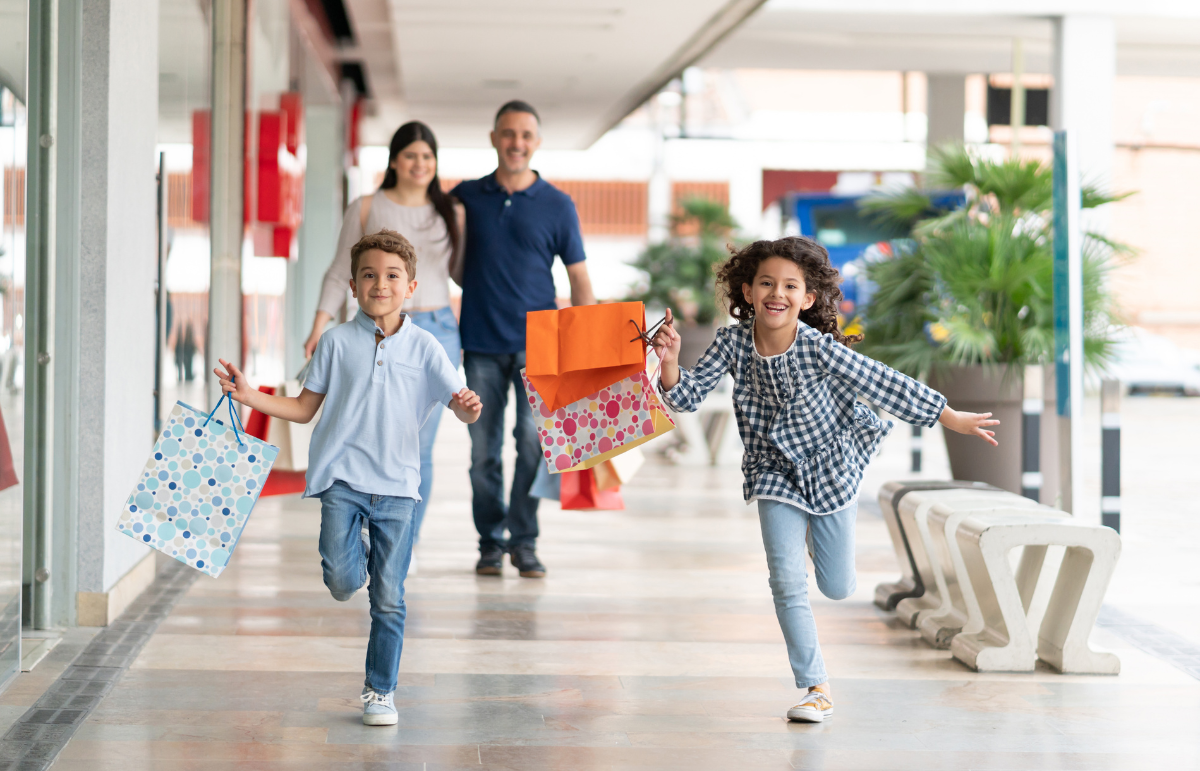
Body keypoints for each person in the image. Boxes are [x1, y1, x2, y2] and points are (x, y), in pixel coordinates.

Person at [650, 236, 998, 724]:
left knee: (837, 586)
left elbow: (882, 381)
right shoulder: (731, 343)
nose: (778, 293)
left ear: (807, 298)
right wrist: (668, 362)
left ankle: (817, 538)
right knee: (786, 580)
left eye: (791, 285)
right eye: (766, 283)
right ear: (747, 292)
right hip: (773, 469)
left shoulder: (817, 348)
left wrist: (949, 415)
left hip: (830, 465)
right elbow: (684, 399)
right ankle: (816, 687)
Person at [215, 230, 482, 726]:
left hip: (399, 488)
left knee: (389, 597)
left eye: (392, 276)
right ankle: (356, 552)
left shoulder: (427, 347)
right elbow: (303, 407)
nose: (380, 283)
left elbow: (460, 407)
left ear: (412, 287)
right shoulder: (336, 343)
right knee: (341, 581)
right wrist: (249, 396)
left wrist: (468, 408)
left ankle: (380, 691)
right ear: (355, 288)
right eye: (368, 275)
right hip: (342, 481)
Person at [451, 100, 596, 578]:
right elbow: (448, 265)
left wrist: (590, 348)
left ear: (536, 142)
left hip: (542, 346)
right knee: (483, 453)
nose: (517, 143)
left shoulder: (557, 204)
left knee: (533, 444)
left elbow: (579, 281)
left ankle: (524, 540)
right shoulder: (466, 196)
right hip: (481, 343)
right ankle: (490, 542)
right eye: (508, 134)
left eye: (526, 135)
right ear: (494, 138)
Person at [304, 121, 464, 550]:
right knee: (366, 432)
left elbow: (469, 273)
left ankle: (402, 545)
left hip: (436, 330)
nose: (419, 164)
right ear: (395, 159)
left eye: (428, 156)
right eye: (411, 155)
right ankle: (359, 520)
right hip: (373, 328)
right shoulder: (366, 206)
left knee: (418, 446)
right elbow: (340, 271)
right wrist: (319, 324)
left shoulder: (452, 210)